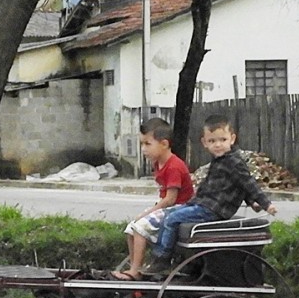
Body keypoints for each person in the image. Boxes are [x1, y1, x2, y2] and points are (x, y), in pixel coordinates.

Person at [115, 113, 277, 280]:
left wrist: (264, 203)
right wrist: (251, 202)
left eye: (222, 140)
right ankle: (168, 259)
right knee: (170, 215)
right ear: (204, 143)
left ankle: (163, 258)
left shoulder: (234, 162)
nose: (218, 145)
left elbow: (248, 183)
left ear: (232, 139)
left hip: (213, 208)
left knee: (172, 219)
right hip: (204, 203)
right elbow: (237, 186)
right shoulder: (220, 160)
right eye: (212, 141)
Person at [113, 118, 194, 280]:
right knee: (131, 228)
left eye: (147, 144)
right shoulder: (158, 164)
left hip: (180, 207)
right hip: (168, 206)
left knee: (140, 226)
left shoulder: (174, 166)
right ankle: (137, 267)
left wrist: (148, 212)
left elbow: (171, 199)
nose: (143, 149)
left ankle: (134, 272)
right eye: (142, 144)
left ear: (164, 144)